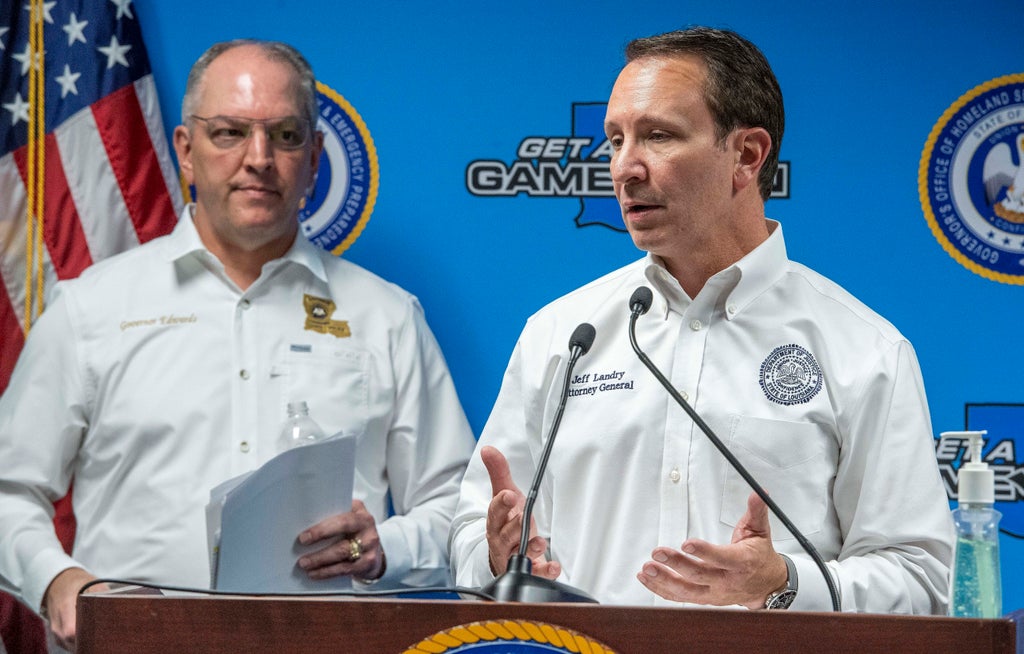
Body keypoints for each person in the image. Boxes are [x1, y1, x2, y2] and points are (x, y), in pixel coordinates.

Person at [449, 26, 954, 613]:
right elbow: (470, 535)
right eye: (615, 140)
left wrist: (783, 583)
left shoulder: (863, 349)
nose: (624, 168)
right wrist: (496, 557)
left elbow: (920, 581)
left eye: (658, 136)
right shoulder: (562, 335)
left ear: (747, 155)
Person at [0, 39, 475, 650]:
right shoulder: (91, 308)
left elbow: (458, 507)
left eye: (285, 135)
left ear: (314, 157)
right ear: (185, 151)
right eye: (229, 132)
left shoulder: (387, 318)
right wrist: (59, 582)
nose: (258, 158)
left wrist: (386, 547)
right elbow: (8, 489)